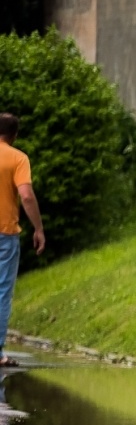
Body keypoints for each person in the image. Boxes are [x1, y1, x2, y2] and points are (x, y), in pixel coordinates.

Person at [0, 113, 45, 368]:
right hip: (4, 233)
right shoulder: (17, 158)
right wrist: (38, 228)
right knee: (2, 292)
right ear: (14, 135)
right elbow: (26, 195)